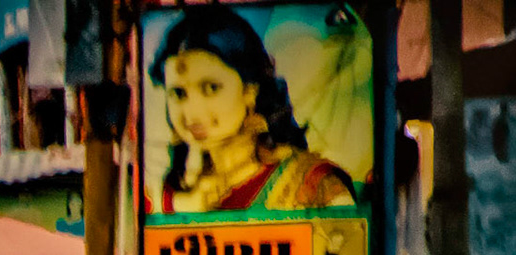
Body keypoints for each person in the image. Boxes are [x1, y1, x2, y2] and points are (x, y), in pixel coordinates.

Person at [147, 6, 358, 215]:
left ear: (250, 91)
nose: (192, 112)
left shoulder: (315, 185)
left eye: (211, 88)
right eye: (178, 94)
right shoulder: (169, 199)